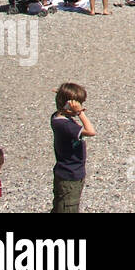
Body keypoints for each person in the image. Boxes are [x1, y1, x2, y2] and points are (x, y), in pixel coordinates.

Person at [51, 82, 95, 213]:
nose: (81, 106)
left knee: (60, 206)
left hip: (69, 172)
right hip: (70, 175)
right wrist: (80, 113)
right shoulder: (65, 125)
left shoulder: (57, 117)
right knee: (67, 208)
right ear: (68, 105)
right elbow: (91, 131)